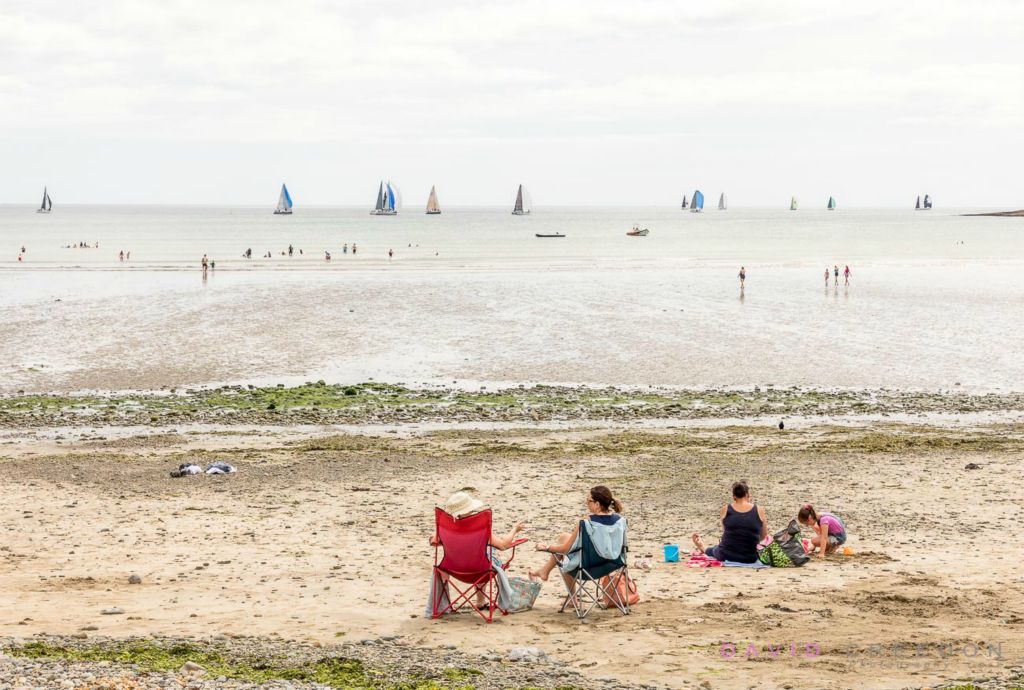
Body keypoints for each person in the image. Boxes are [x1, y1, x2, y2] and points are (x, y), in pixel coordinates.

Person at [428, 491, 528, 611]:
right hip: (481, 571)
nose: (473, 511)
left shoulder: (446, 526)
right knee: (486, 554)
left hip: (452, 569)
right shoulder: (479, 527)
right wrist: (515, 530)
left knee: (478, 554)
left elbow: (433, 542)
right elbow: (504, 545)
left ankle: (447, 604)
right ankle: (480, 602)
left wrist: (451, 541)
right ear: (467, 511)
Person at [528, 485, 623, 583]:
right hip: (613, 564)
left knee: (566, 554)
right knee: (564, 537)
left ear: (597, 504)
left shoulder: (587, 522)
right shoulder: (620, 520)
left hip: (588, 567)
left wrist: (546, 548)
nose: (586, 503)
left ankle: (571, 597)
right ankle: (545, 570)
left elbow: (565, 549)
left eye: (588, 501)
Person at [691, 481, 768, 563]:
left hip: (726, 554)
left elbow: (726, 531)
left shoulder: (726, 509)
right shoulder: (759, 510)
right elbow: (763, 536)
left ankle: (703, 548)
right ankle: (705, 547)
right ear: (747, 494)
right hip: (750, 557)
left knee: (714, 549)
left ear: (734, 497)